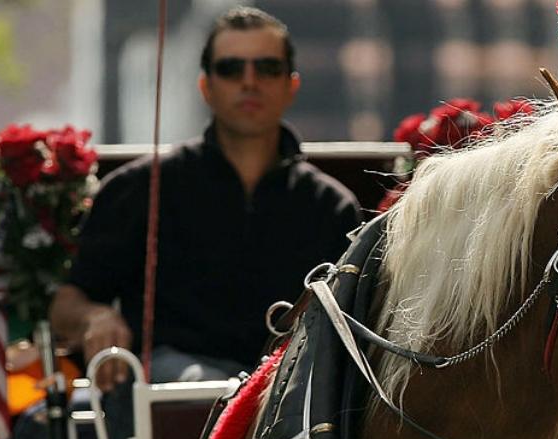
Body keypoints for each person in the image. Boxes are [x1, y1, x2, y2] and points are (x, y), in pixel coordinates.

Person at [50, 7, 361, 389]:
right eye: (231, 69)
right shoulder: (142, 187)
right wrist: (95, 318)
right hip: (177, 392)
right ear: (206, 86)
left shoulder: (331, 206)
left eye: (267, 68)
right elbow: (66, 303)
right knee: (199, 384)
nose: (249, 82)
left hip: (290, 396)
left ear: (290, 85)